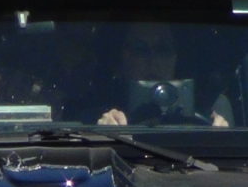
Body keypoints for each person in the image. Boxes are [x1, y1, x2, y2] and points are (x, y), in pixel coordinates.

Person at [97, 25, 231, 127]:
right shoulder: (97, 113)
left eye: (163, 50)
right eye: (140, 49)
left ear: (176, 59)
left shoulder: (209, 109)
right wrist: (105, 136)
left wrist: (219, 139)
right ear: (120, 59)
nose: (153, 60)